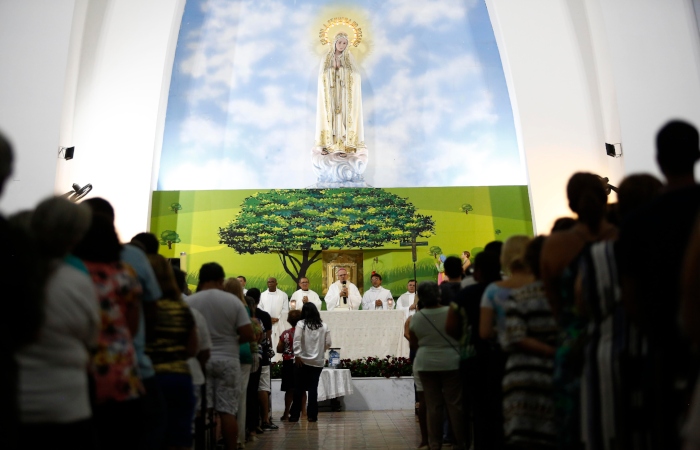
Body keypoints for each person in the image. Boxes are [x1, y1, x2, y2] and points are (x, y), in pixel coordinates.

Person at [617, 120, 700, 449]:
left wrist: (655, 332)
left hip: (662, 347)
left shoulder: (637, 222)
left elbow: (631, 296)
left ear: (659, 160)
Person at [578, 174, 662, 450]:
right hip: (660, 350)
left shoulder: (598, 254)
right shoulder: (672, 245)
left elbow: (582, 305)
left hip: (608, 355)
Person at [15, 197, 100, 450]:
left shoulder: (12, 276)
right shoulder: (76, 282)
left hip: (14, 401)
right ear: (75, 237)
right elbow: (92, 339)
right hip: (66, 405)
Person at [540, 173, 617, 449]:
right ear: (604, 197)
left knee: (575, 431)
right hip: (621, 346)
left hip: (573, 348)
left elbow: (554, 304)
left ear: (571, 203)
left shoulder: (555, 246)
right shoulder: (623, 237)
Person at [83, 197, 166, 449]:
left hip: (77, 372)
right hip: (127, 367)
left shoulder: (65, 264)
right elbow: (149, 311)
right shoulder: (128, 264)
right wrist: (136, 343)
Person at [72, 213, 144, 450]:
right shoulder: (124, 272)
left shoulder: (72, 271)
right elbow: (133, 325)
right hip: (118, 364)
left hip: (79, 364)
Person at [186, 263, 254, 450]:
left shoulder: (190, 302)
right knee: (227, 411)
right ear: (220, 280)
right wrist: (231, 341)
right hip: (228, 359)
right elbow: (248, 334)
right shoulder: (233, 302)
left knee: (202, 409)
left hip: (201, 360)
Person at [501, 236, 558, 449]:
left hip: (524, 376)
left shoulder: (519, 296)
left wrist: (550, 351)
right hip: (559, 371)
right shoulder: (563, 293)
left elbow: (514, 336)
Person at [446, 250, 502, 450]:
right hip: (504, 356)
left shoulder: (467, 293)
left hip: (473, 356)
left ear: (477, 273)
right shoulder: (510, 290)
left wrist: (463, 340)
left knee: (476, 408)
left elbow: (450, 326)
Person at [145, 254, 197, 450]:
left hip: (149, 376)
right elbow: (192, 347)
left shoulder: (144, 307)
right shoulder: (182, 308)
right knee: (179, 435)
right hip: (178, 376)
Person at [409, 281, 467, 450]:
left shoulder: (417, 317)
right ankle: (460, 442)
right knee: (454, 404)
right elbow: (460, 335)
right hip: (451, 361)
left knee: (433, 406)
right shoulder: (451, 312)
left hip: (426, 363)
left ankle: (434, 444)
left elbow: (414, 344)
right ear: (438, 295)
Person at [315, 32, 366, 155]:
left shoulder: (349, 58)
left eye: (344, 43)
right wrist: (332, 70)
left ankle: (345, 147)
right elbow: (322, 76)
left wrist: (342, 70)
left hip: (344, 95)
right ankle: (329, 145)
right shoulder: (327, 58)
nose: (342, 46)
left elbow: (356, 76)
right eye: (339, 42)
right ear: (334, 43)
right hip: (331, 94)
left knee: (343, 117)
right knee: (331, 117)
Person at [289, 303, 332, 423]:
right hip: (317, 362)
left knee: (298, 389)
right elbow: (328, 342)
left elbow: (296, 340)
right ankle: (312, 415)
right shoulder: (324, 325)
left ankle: (294, 416)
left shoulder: (301, 324)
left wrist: (297, 354)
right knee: (313, 389)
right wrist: (320, 351)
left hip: (301, 361)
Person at [277, 310, 306, 421]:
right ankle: (304, 412)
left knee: (289, 389)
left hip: (288, 362)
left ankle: (286, 412)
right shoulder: (304, 333)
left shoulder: (286, 333)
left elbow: (279, 349)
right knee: (302, 388)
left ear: (288, 320)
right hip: (301, 362)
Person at [259, 277, 289, 350]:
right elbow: (260, 308)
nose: (270, 283)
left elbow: (285, 309)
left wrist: (278, 318)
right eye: (269, 282)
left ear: (276, 283)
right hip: (266, 322)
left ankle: (279, 359)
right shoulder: (262, 295)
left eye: (272, 282)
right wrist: (268, 319)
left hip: (279, 322)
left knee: (279, 340)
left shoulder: (283, 295)